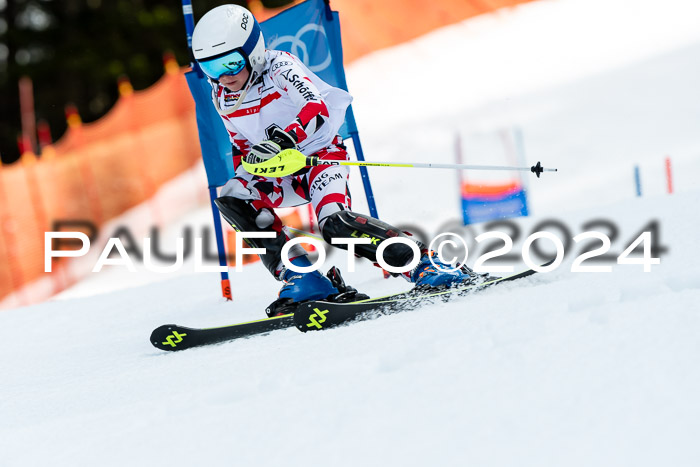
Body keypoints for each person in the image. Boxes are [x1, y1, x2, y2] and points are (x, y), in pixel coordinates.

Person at [191, 4, 477, 316]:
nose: (223, 76)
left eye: (230, 63)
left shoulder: (279, 67)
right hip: (279, 171)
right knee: (232, 197)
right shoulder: (221, 95)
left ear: (254, 52)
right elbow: (241, 143)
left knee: (335, 225)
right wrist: (251, 167)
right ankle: (302, 276)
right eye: (210, 68)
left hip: (319, 156)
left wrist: (284, 139)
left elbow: (316, 108)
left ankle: (426, 264)